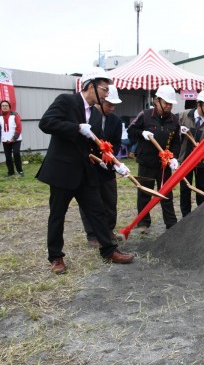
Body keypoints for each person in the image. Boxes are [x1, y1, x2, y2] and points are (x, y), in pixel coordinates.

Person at [36, 67, 134, 274]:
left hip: (86, 171)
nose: (108, 94)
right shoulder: (66, 101)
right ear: (91, 86)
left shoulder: (96, 116)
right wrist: (75, 128)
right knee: (57, 215)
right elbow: (46, 123)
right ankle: (56, 257)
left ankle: (108, 250)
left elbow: (94, 145)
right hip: (63, 171)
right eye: (105, 89)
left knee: (97, 211)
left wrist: (111, 163)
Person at [128, 85, 181, 233]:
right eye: (166, 103)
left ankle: (171, 222)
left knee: (166, 193)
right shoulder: (144, 115)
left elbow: (177, 141)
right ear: (156, 100)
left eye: (171, 104)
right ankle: (143, 223)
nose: (168, 106)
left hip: (164, 164)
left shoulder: (175, 121)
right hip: (147, 161)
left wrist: (174, 157)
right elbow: (131, 131)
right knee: (145, 193)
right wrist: (141, 133)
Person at [78, 85, 126, 247]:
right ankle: (92, 234)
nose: (111, 108)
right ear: (99, 101)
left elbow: (117, 144)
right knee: (90, 201)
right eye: (108, 105)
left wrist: (111, 161)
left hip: (108, 166)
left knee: (110, 199)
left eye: (114, 105)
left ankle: (108, 229)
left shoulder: (116, 121)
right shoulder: (87, 118)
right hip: (90, 165)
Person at [177, 90, 204, 216]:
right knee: (185, 190)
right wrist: (179, 130)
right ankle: (186, 216)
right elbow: (173, 135)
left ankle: (201, 215)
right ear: (198, 104)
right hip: (185, 160)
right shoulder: (183, 116)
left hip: (201, 163)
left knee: (202, 189)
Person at [1, 100, 24, 177]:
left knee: (16, 154)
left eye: (6, 105)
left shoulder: (15, 115)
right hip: (5, 139)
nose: (4, 107)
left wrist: (15, 137)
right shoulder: (0, 116)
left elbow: (19, 127)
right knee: (8, 156)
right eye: (3, 105)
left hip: (16, 139)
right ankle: (11, 172)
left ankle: (20, 171)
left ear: (9, 107)